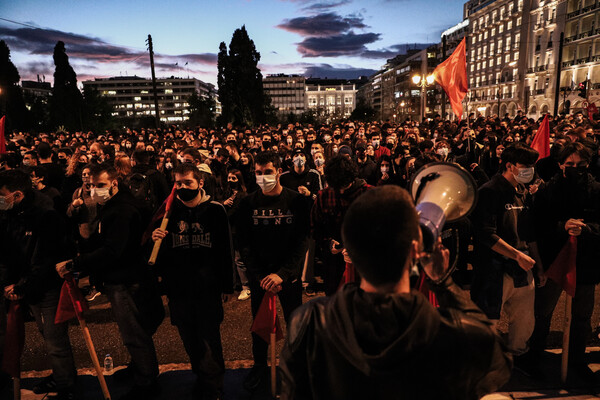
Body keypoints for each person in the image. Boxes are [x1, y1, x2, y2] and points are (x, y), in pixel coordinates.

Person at [280, 185, 511, 399]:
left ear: (350, 251)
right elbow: (498, 358)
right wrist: (443, 282)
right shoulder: (452, 331)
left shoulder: (309, 320)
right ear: (415, 250)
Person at [56, 164, 164, 400]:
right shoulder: (114, 205)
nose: (95, 190)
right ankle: (140, 368)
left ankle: (147, 383)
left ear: (114, 183)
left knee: (134, 333)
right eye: (92, 186)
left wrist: (77, 263)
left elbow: (113, 250)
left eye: (101, 185)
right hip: (127, 276)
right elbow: (101, 239)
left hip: (125, 280)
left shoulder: (122, 210)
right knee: (138, 330)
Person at [151, 163, 233, 399]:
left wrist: (228, 286)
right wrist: (156, 239)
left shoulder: (215, 210)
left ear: (200, 183)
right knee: (189, 339)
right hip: (179, 290)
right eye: (178, 183)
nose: (183, 187)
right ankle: (201, 377)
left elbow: (225, 250)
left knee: (209, 340)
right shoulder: (168, 212)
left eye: (188, 182)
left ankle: (213, 387)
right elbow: (159, 254)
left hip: (207, 288)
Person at [235, 151, 310, 393]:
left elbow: (302, 241)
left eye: (267, 172)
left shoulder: (296, 201)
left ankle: (297, 367)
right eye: (258, 172)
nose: (263, 176)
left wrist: (284, 274)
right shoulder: (247, 203)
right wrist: (260, 276)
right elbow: (244, 244)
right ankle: (259, 366)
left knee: (295, 323)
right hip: (261, 278)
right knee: (259, 326)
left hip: (288, 276)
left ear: (278, 171)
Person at [0, 170, 78, 400]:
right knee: (46, 333)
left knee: (55, 339)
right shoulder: (11, 213)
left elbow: (45, 259)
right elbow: (8, 251)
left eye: (2, 196)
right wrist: (12, 283)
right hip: (25, 284)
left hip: (47, 287)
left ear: (17, 194)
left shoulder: (46, 215)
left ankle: (67, 386)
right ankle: (62, 376)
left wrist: (23, 286)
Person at [526, 142, 600, 381]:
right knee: (542, 312)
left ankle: (577, 361)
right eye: (570, 164)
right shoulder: (548, 191)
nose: (575, 168)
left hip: (585, 262)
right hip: (553, 259)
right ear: (560, 164)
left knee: (582, 315)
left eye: (581, 165)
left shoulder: (597, 190)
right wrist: (562, 226)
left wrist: (587, 228)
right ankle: (533, 358)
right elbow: (537, 227)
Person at [470, 143, 541, 368]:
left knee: (523, 322)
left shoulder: (521, 191)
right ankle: (485, 366)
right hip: (494, 269)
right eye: (525, 165)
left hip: (523, 268)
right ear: (509, 166)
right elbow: (485, 234)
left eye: (533, 165)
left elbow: (529, 232)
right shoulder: (489, 192)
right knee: (488, 320)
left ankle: (518, 357)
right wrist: (516, 255)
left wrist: (537, 264)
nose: (530, 170)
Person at [311, 155, 371, 295]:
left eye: (344, 187)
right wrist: (328, 244)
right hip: (333, 262)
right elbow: (315, 227)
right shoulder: (323, 196)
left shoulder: (369, 193)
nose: (341, 192)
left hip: (365, 262)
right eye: (337, 188)